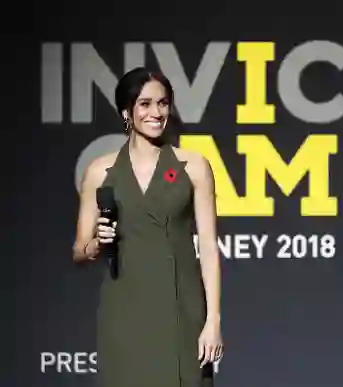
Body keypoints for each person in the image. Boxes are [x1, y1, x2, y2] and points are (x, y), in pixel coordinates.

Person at [72, 67, 223, 387]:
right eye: (145, 104)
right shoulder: (100, 172)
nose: (157, 112)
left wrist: (213, 322)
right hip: (125, 309)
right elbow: (80, 250)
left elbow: (208, 248)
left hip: (183, 309)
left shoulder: (193, 166)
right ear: (126, 112)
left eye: (163, 103)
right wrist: (97, 244)